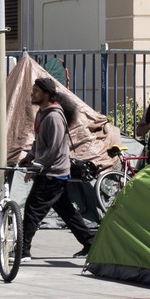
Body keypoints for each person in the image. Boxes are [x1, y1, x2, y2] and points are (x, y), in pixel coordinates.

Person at [20, 77, 96, 260]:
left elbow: (53, 149)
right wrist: (30, 156)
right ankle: (90, 243)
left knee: (32, 209)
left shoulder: (53, 117)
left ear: (46, 95)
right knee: (66, 211)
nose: (32, 93)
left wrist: (35, 168)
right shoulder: (42, 112)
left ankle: (23, 250)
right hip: (50, 170)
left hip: (52, 172)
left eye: (36, 91)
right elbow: (40, 141)